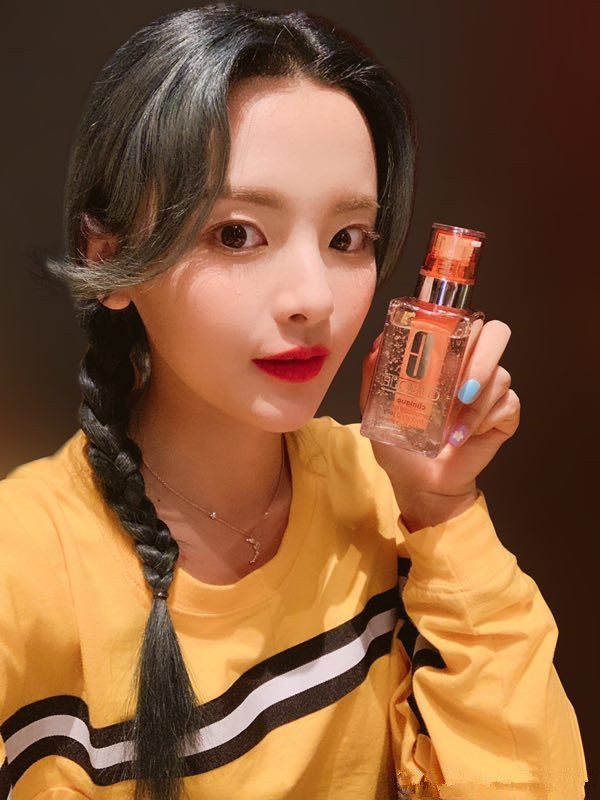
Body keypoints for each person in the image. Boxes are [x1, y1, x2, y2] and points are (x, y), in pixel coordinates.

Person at [0, 4, 587, 800]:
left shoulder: (383, 496)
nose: (313, 298)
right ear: (111, 258)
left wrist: (441, 511)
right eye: (238, 234)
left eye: (348, 238)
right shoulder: (23, 568)